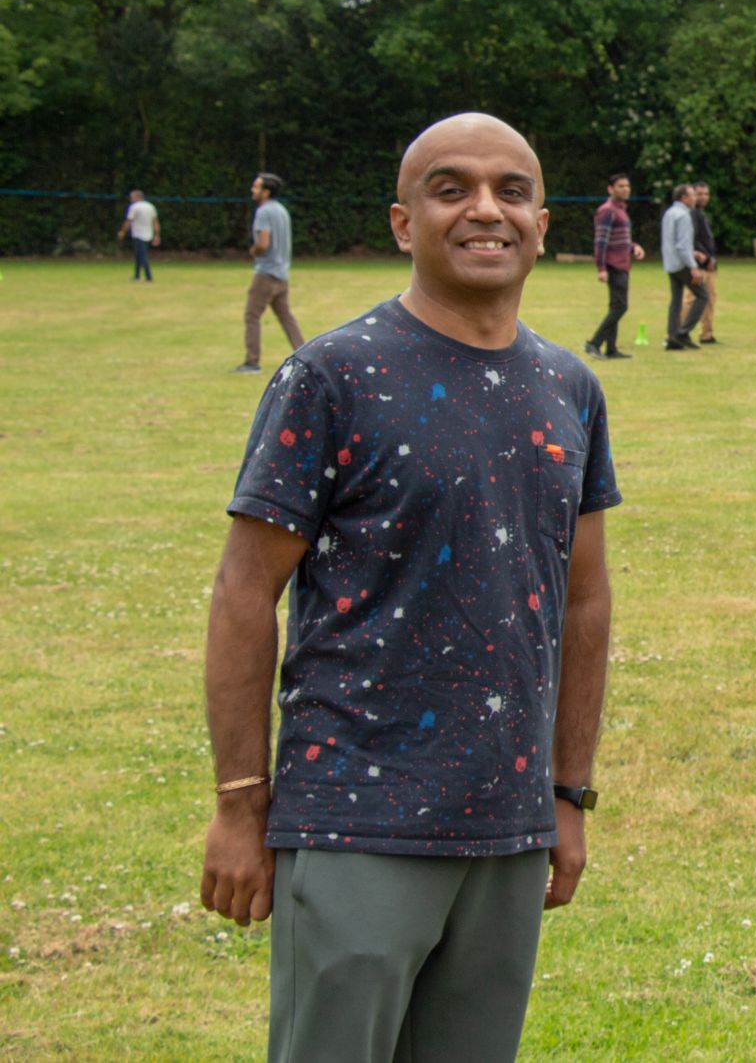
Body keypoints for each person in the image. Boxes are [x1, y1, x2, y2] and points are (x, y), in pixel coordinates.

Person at [200, 112, 621, 1063]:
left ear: (543, 222)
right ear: (403, 222)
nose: (485, 209)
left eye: (511, 191)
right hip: (356, 822)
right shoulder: (330, 376)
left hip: (508, 828)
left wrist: (566, 792)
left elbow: (585, 599)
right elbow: (242, 592)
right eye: (452, 187)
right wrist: (239, 801)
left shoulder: (570, 386)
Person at [235, 173, 306, 374]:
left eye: (256, 187)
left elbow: (263, 242)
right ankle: (305, 354)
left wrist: (253, 250)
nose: (252, 190)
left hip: (266, 273)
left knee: (251, 316)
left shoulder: (264, 212)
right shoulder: (282, 211)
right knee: (286, 317)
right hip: (282, 273)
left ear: (266, 192)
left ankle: (252, 362)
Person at [585, 172, 643, 360]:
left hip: (623, 263)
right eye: (621, 186)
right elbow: (601, 241)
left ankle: (611, 349)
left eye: (627, 186)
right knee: (620, 307)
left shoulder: (621, 210)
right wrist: (601, 268)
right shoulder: (607, 210)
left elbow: (622, 239)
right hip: (613, 265)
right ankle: (593, 343)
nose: (625, 189)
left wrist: (634, 247)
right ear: (610, 189)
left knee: (615, 306)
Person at [662, 182, 707, 350]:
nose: (695, 198)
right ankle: (683, 332)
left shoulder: (669, 213)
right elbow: (682, 245)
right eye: (693, 195)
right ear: (684, 198)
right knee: (702, 295)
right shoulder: (683, 215)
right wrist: (693, 266)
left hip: (671, 263)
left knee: (676, 300)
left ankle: (673, 337)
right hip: (682, 264)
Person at [690, 182, 721, 343]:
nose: (703, 197)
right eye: (699, 193)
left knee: (710, 299)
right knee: (691, 300)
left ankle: (706, 334)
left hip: (709, 265)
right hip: (698, 265)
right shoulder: (692, 214)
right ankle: (679, 332)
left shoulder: (702, 214)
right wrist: (707, 258)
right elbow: (693, 240)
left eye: (706, 194)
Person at [120, 188, 160, 282]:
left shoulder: (134, 207)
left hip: (138, 234)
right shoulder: (150, 206)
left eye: (132, 197)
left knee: (142, 256)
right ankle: (137, 276)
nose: (131, 199)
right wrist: (156, 235)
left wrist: (123, 231)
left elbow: (129, 221)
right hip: (148, 234)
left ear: (137, 197)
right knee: (138, 255)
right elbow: (155, 222)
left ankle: (148, 276)